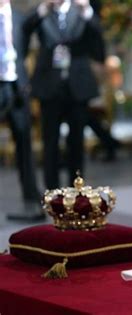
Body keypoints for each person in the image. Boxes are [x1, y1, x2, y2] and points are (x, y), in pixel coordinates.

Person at [23, 0, 104, 189]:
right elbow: (24, 31)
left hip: (77, 84)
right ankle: (52, 193)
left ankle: (76, 190)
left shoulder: (82, 11)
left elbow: (98, 41)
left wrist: (87, 10)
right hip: (49, 85)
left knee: (76, 141)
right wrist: (41, 11)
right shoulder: (42, 11)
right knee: (50, 141)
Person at [0, 0, 44, 221]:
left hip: (17, 86)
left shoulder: (19, 17)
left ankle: (31, 195)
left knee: (24, 141)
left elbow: (25, 48)